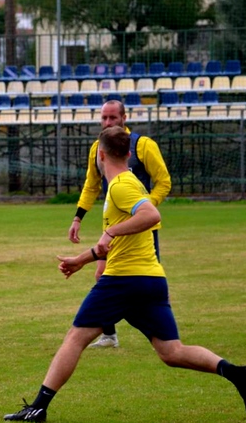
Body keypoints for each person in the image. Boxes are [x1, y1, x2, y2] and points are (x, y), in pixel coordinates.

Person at [4, 126, 246, 423]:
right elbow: (122, 241)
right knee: (171, 352)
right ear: (128, 153)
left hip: (123, 281)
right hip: (150, 279)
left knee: (75, 339)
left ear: (100, 155)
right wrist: (82, 260)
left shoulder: (121, 186)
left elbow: (151, 215)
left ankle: (38, 408)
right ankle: (237, 374)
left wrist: (111, 230)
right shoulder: (133, 182)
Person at [67, 99, 171, 349]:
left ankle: (165, 333)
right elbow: (91, 185)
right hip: (112, 226)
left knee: (146, 278)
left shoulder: (143, 145)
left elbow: (164, 181)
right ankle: (109, 335)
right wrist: (78, 217)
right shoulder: (97, 149)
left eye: (113, 117)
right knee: (102, 273)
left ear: (124, 118)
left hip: (141, 227)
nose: (108, 122)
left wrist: (144, 205)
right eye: (104, 117)